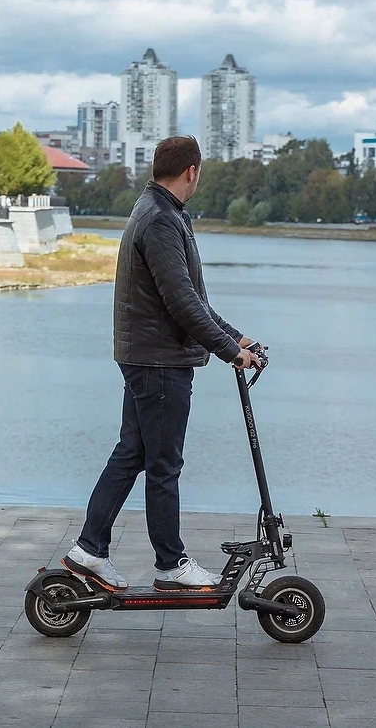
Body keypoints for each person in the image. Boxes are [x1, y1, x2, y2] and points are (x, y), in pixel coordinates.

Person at [62, 136, 262, 592]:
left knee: (132, 452)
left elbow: (189, 297)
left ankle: (89, 550)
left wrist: (236, 336)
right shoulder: (161, 221)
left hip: (148, 357)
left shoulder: (157, 212)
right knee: (164, 464)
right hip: (159, 363)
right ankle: (170, 564)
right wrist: (230, 351)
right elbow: (182, 304)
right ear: (192, 171)